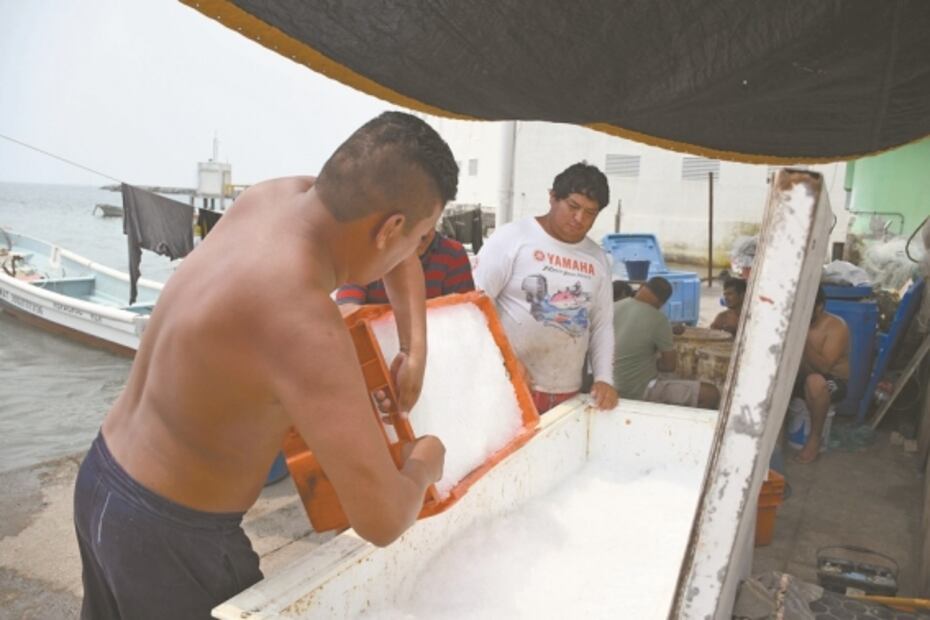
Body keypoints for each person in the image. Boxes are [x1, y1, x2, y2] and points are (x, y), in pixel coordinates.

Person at [73, 111, 458, 618]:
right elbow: (382, 520)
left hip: (101, 479)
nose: (418, 251)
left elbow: (393, 248)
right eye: (422, 236)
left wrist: (414, 348)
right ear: (391, 228)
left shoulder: (272, 197)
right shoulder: (303, 323)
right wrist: (426, 460)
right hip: (171, 542)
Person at [474, 162, 618, 414]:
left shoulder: (598, 258)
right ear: (552, 198)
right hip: (507, 384)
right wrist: (506, 358)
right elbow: (475, 305)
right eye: (573, 206)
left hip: (567, 392)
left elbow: (602, 324)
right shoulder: (512, 237)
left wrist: (604, 378)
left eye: (590, 213)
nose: (579, 219)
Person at [613, 277, 719, 409]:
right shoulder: (659, 320)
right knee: (711, 394)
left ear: (641, 288)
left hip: (609, 385)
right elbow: (669, 366)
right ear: (662, 303)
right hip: (638, 391)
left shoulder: (614, 307)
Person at [336, 227, 474, 313]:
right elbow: (347, 307)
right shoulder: (366, 250)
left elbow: (464, 315)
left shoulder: (453, 254)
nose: (423, 234)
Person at [794, 285, 850, 463]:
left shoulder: (835, 326)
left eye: (806, 308)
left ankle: (815, 439)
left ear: (819, 306)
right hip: (801, 375)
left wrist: (801, 338)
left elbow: (824, 368)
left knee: (816, 382)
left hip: (831, 379)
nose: (802, 312)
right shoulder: (793, 320)